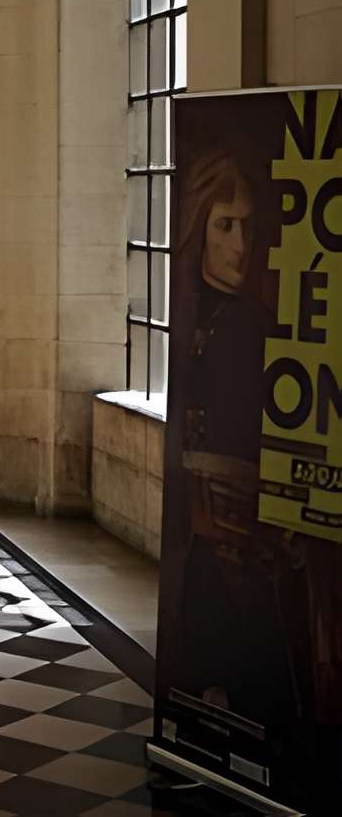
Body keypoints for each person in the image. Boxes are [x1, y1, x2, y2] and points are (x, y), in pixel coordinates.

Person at [172, 148, 306, 726]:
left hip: (251, 548)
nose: (239, 244)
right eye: (225, 225)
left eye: (248, 226)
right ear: (200, 225)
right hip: (208, 545)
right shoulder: (192, 314)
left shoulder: (252, 324)